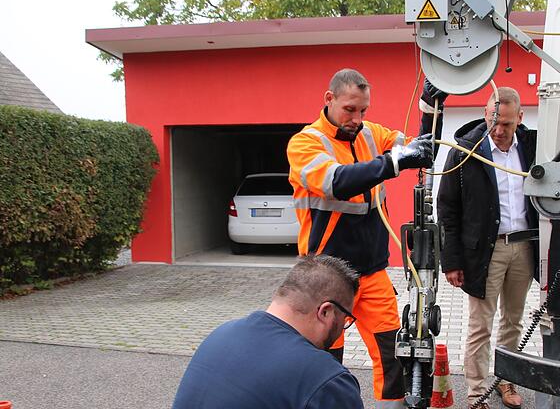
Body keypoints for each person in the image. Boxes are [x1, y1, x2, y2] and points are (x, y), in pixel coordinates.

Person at [286, 68, 434, 409]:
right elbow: (337, 181)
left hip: (371, 272)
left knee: (390, 350)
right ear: (329, 99)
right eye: (350, 109)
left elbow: (418, 150)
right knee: (324, 356)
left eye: (363, 110)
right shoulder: (305, 143)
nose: (357, 118)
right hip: (326, 274)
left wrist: (430, 107)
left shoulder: (372, 134)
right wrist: (394, 162)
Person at [437, 87, 538, 409]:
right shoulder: (466, 152)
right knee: (481, 325)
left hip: (523, 247)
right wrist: (452, 261)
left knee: (514, 321)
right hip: (485, 252)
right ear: (485, 114)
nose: (498, 130)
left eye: (506, 124)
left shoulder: (535, 147)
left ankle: (506, 382)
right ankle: (477, 392)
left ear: (520, 118)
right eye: (493, 121)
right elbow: (447, 209)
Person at [171, 254, 364, 409]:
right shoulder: (326, 380)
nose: (342, 329)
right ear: (326, 311)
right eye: (345, 320)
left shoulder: (220, 334)